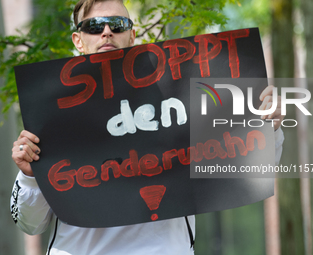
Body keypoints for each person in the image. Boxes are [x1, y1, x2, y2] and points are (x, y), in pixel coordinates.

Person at [10, 0, 285, 254]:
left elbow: (243, 171)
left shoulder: (177, 94)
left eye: (117, 24)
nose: (106, 32)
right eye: (94, 26)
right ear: (78, 40)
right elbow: (29, 224)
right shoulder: (54, 111)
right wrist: (30, 176)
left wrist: (267, 127)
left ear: (132, 34)